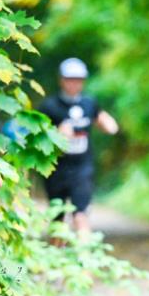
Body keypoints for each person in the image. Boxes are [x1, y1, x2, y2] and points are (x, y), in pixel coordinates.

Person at [38, 58, 119, 234]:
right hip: (55, 169)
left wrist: (108, 124)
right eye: (70, 79)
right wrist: (57, 133)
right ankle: (56, 257)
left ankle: (84, 258)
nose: (74, 84)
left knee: (80, 215)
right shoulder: (49, 106)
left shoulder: (89, 103)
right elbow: (36, 137)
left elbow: (103, 119)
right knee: (58, 218)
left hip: (82, 167)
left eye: (78, 80)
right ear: (62, 80)